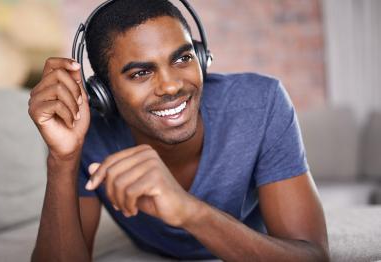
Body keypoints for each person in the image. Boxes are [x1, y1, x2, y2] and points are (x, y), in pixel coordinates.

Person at [28, 0, 329, 261]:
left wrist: (189, 211)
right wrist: (62, 159)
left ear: (201, 57)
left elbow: (312, 256)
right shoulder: (88, 132)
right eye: (141, 73)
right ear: (103, 93)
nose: (171, 86)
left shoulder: (261, 103)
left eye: (183, 58)